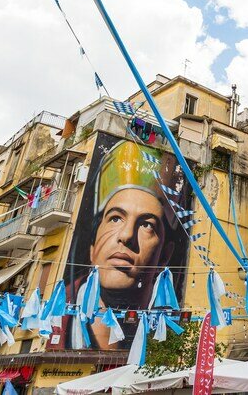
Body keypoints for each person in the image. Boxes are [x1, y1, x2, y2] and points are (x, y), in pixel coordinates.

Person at [66, 140, 182, 349]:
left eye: (147, 225)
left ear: (164, 256)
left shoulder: (166, 330)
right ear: (92, 247)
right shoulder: (60, 314)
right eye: (115, 218)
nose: (127, 236)